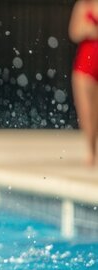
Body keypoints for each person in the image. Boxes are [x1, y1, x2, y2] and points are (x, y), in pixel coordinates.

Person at [70, 0, 98, 167]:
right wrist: (89, 29)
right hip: (85, 65)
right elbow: (74, 32)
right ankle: (91, 150)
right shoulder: (82, 5)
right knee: (86, 111)